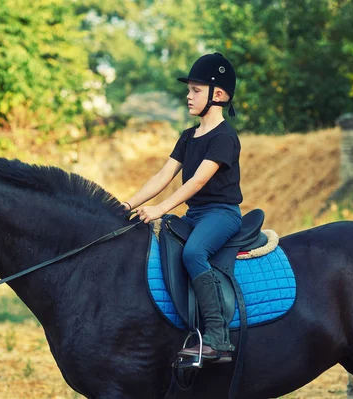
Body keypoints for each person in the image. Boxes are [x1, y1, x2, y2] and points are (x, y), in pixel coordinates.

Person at [122, 52, 242, 363]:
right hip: (195, 215)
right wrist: (127, 203)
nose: (188, 96)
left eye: (195, 90)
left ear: (217, 95)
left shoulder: (225, 137)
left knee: (193, 253)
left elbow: (198, 182)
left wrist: (160, 208)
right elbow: (163, 175)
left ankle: (218, 337)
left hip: (221, 214)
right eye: (188, 90)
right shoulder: (189, 136)